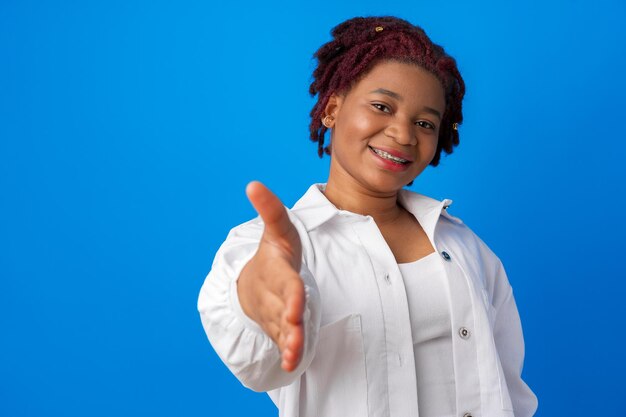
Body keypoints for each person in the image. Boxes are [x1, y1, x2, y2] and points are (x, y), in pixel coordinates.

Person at [198, 16, 538, 417]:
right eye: (382, 106)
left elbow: (507, 385)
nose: (403, 134)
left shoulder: (466, 247)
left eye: (425, 123)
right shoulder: (269, 245)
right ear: (332, 109)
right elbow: (259, 366)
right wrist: (258, 298)